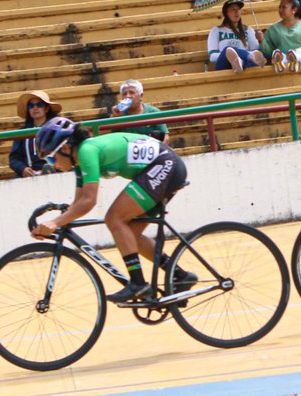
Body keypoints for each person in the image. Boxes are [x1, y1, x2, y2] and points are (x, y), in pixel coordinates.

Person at [29, 116, 196, 301]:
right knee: (130, 234)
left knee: (114, 218)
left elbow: (89, 201)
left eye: (52, 159)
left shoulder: (87, 151)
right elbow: (80, 201)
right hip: (162, 167)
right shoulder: (78, 162)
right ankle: (180, 275)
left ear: (66, 148)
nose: (53, 165)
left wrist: (54, 222)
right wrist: (59, 220)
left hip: (165, 165)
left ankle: (138, 284)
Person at [9, 90, 63, 178]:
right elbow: (14, 158)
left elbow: (64, 153)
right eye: (31, 105)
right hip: (29, 176)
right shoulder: (22, 132)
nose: (35, 108)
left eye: (39, 105)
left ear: (46, 108)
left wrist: (54, 167)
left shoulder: (57, 129)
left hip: (55, 173)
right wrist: (23, 169)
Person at [260, 0, 301, 73]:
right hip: (283, 57)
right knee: (278, 55)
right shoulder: (273, 28)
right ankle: (281, 62)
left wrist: (297, 51)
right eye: (279, 7)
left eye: (284, 7)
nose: (280, 10)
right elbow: (268, 52)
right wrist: (261, 41)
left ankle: (294, 58)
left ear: (294, 10)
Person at [207, 0, 266, 72]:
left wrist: (260, 40)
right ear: (226, 13)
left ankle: (240, 62)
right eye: (233, 9)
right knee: (228, 49)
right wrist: (229, 54)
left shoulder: (248, 30)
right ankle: (240, 60)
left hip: (246, 64)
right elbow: (212, 57)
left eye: (238, 9)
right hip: (224, 65)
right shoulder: (216, 31)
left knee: (251, 60)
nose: (237, 12)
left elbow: (257, 54)